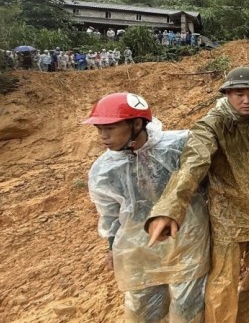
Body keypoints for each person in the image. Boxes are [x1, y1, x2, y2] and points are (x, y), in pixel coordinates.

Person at [145, 67, 249, 323]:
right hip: (230, 220)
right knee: (223, 286)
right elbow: (192, 165)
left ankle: (248, 315)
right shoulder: (212, 125)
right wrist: (170, 207)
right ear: (227, 93)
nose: (247, 100)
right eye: (239, 94)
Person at [84, 93, 209, 322]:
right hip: (139, 249)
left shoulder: (178, 146)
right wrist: (112, 247)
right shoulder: (104, 169)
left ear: (136, 124)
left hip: (186, 242)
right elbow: (110, 214)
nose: (103, 136)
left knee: (187, 309)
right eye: (99, 129)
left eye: (110, 128)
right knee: (142, 311)